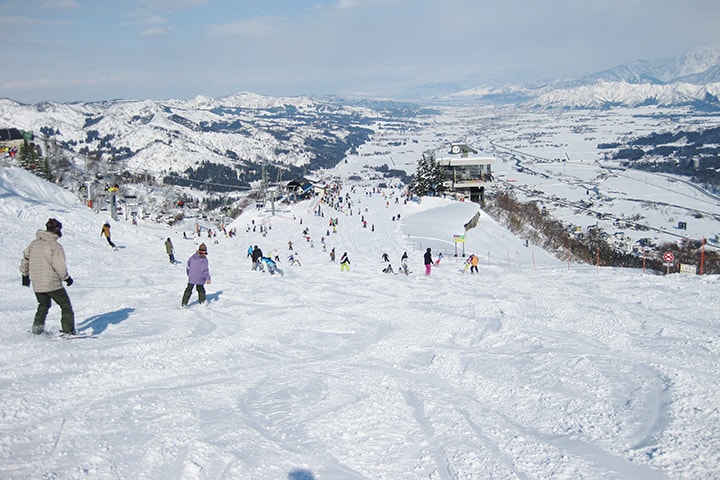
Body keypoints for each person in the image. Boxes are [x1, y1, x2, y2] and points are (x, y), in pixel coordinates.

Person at [20, 218, 76, 335]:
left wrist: (25, 274)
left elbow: (26, 258)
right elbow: (59, 265)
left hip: (37, 283)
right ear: (57, 230)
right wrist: (66, 278)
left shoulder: (34, 243)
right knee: (65, 305)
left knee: (43, 305)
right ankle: (68, 331)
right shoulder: (54, 246)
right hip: (51, 282)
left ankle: (37, 330)